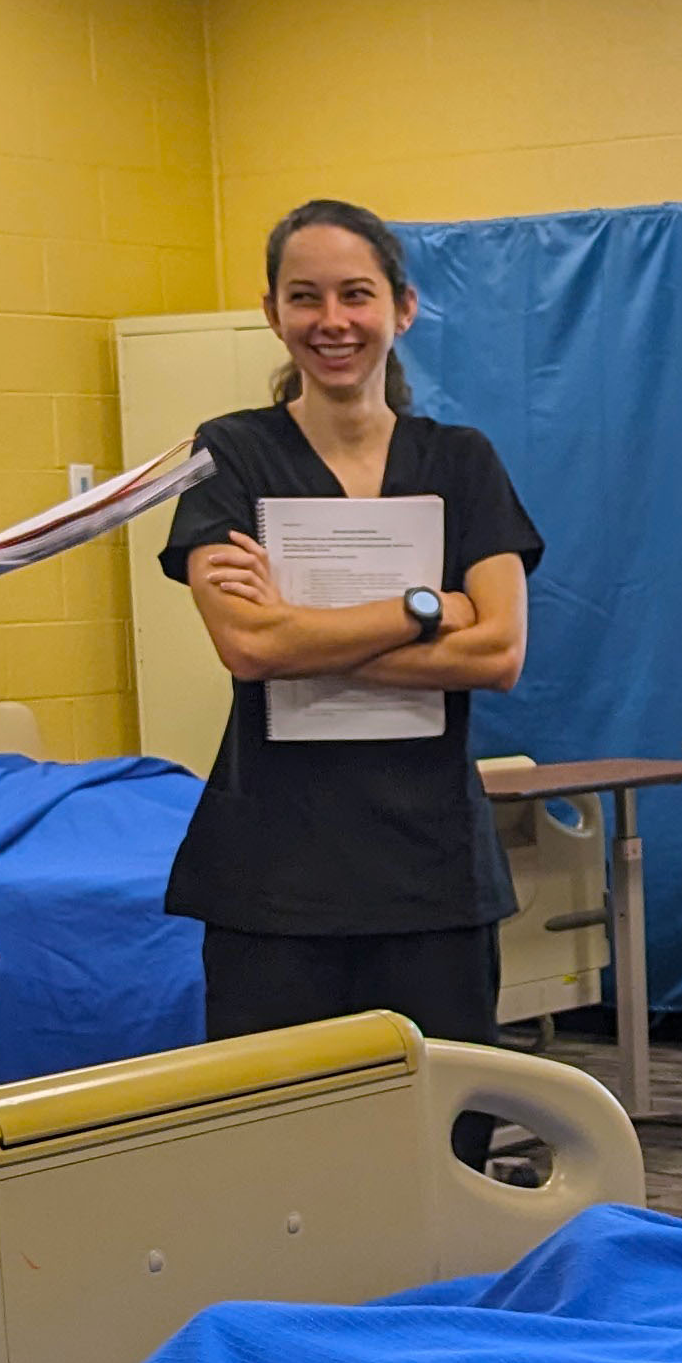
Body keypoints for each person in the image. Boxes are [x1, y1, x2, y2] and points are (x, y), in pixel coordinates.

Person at [157, 200, 541, 1063]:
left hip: (431, 876)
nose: (332, 322)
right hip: (273, 882)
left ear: (402, 309)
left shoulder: (461, 461)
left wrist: (302, 633)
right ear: (273, 314)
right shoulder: (226, 457)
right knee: (282, 1146)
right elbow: (249, 649)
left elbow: (501, 652)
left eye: (356, 296)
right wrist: (427, 607)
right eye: (305, 298)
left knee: (443, 1140)